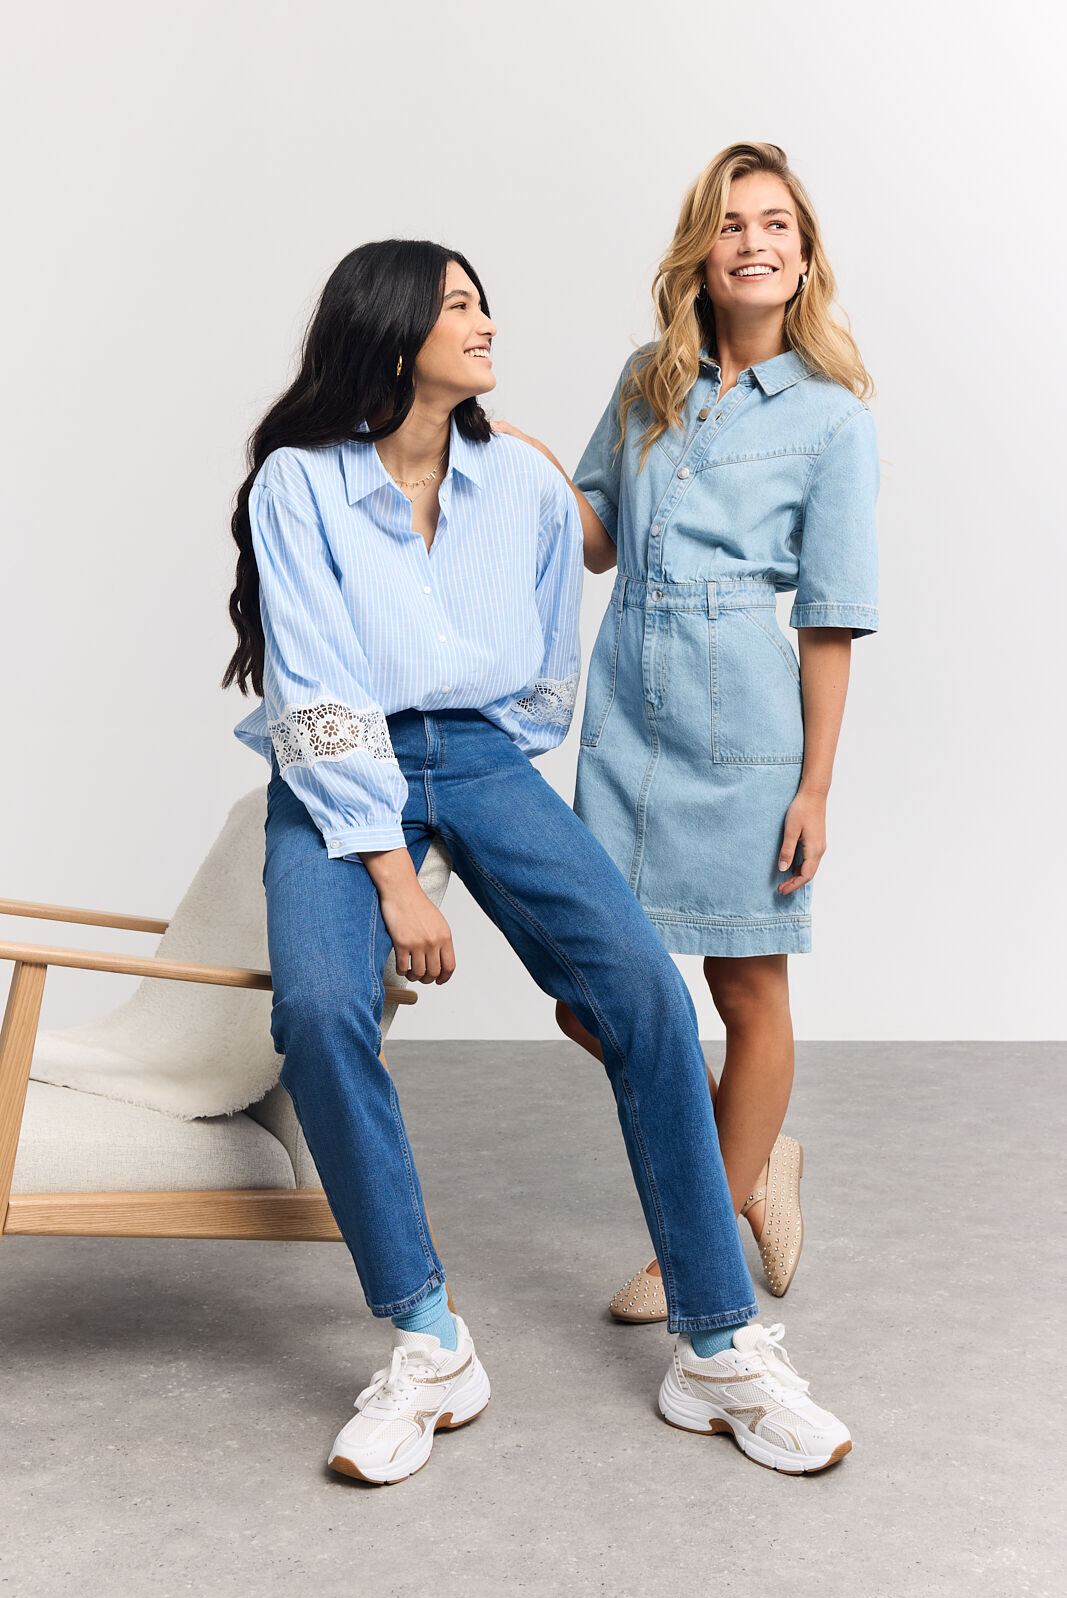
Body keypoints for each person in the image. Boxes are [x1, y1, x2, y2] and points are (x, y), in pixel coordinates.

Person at [224, 237, 853, 1483]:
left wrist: (486, 806)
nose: (486, 323)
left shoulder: (516, 482)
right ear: (392, 330)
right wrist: (396, 870)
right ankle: (426, 1337)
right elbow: (313, 682)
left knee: (643, 997)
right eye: (458, 305)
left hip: (478, 753)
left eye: (482, 301)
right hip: (338, 762)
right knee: (318, 1012)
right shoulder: (297, 483)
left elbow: (543, 665)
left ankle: (716, 1346)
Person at [493, 142, 880, 1318]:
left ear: (803, 255)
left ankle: (693, 1241)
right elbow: (597, 536)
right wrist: (524, 460)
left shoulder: (830, 421)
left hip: (744, 722)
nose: (752, 241)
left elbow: (828, 620)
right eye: (728, 225)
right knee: (588, 987)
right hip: (624, 712)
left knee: (744, 989)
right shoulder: (645, 379)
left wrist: (813, 786)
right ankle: (753, 1155)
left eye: (774, 223)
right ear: (698, 257)